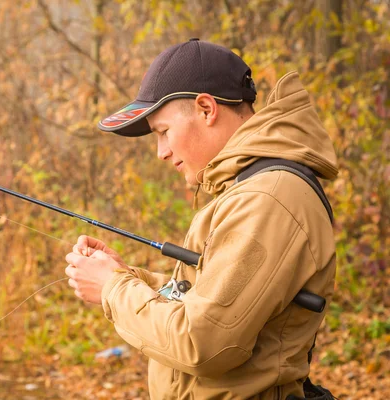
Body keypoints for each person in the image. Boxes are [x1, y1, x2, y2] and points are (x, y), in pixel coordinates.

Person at [64, 39, 338, 399]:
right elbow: (218, 298)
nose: (161, 152)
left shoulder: (267, 199)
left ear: (206, 109)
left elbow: (202, 341)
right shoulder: (252, 189)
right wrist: (127, 277)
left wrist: (113, 291)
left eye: (163, 132)